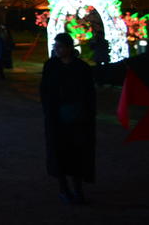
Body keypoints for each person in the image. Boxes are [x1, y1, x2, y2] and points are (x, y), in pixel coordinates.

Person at [40, 32, 96, 205]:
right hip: (57, 119)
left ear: (69, 48)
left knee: (77, 155)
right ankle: (64, 189)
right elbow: (45, 91)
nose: (57, 49)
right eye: (55, 46)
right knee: (60, 154)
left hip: (78, 119)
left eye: (60, 46)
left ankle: (78, 190)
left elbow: (89, 93)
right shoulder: (51, 66)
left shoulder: (81, 68)